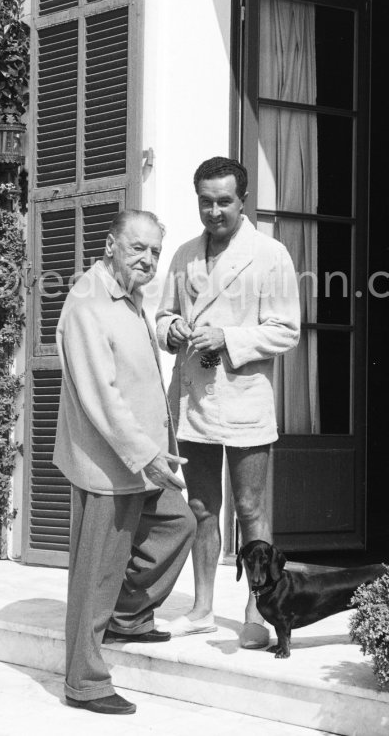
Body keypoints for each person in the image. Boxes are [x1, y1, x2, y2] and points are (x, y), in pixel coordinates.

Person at [54, 209, 196, 715]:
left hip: (140, 458)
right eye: (138, 248)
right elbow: (102, 397)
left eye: (156, 251)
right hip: (108, 463)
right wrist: (147, 454)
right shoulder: (88, 303)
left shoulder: (129, 298)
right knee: (97, 573)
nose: (149, 260)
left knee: (178, 524)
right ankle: (84, 682)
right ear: (111, 244)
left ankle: (129, 617)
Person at [156, 157, 300, 649]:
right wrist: (170, 330)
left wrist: (228, 337)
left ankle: (257, 612)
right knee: (200, 506)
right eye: (205, 201)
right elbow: (162, 316)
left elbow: (286, 329)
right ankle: (200, 607)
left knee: (250, 507)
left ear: (243, 200)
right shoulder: (184, 255)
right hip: (195, 396)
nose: (214, 211)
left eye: (224, 201)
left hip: (243, 397)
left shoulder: (270, 253)